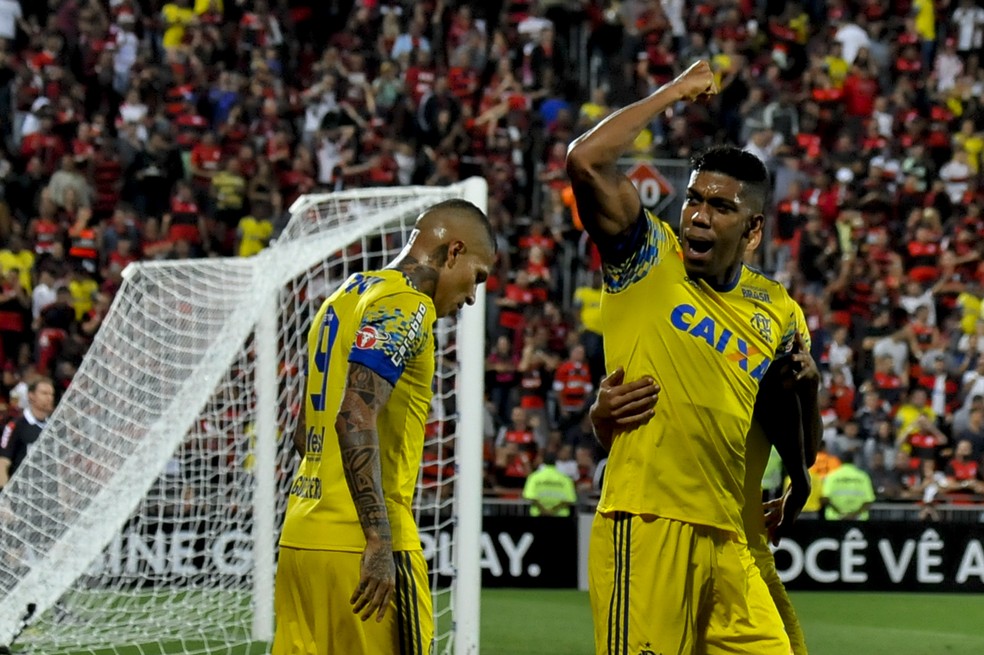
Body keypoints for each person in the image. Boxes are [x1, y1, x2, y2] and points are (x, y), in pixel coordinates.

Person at [566, 60, 818, 654]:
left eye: (720, 207)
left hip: (734, 539)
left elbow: (799, 437)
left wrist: (807, 397)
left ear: (752, 230)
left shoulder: (778, 310)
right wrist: (676, 92)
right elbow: (586, 160)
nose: (699, 215)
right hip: (648, 522)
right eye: (693, 200)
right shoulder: (647, 257)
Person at [272, 199, 496, 655]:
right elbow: (354, 413)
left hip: (301, 540)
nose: (473, 296)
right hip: (361, 549)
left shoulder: (344, 296)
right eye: (477, 276)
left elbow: (302, 433)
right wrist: (376, 537)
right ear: (453, 251)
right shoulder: (409, 305)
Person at [0, 377, 55, 492]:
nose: (49, 398)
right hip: (21, 495)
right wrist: (4, 500)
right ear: (31, 396)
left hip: (49, 495)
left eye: (51, 394)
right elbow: (3, 462)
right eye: (44, 393)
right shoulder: (16, 425)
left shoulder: (54, 428)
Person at [820, 450, 877, 520]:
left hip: (835, 519)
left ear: (840, 461)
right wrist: (853, 515)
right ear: (854, 461)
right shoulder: (863, 476)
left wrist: (841, 513)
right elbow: (868, 501)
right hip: (859, 519)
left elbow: (825, 499)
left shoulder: (832, 476)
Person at [522, 451, 578, 517]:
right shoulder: (566, 479)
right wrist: (553, 510)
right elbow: (570, 499)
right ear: (556, 462)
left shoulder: (534, 477)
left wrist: (544, 510)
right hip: (560, 517)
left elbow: (530, 496)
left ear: (543, 461)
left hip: (538, 515)